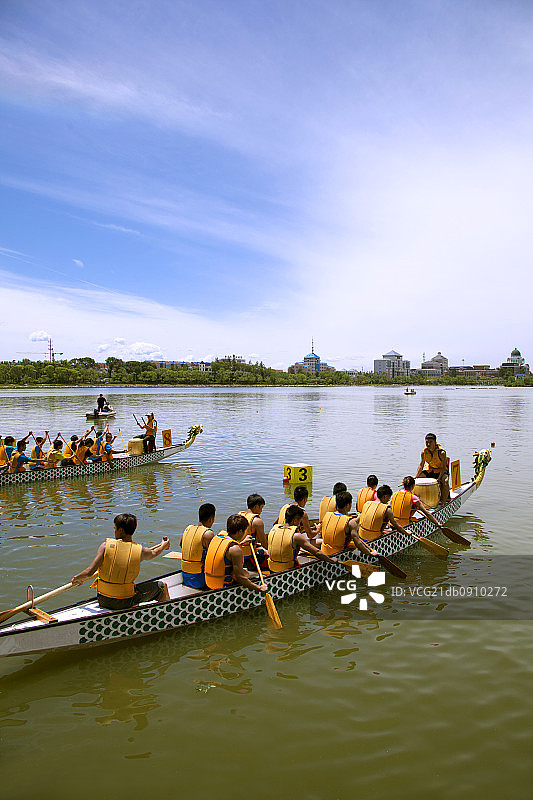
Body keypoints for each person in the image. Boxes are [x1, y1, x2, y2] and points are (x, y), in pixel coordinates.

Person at [71, 512, 170, 610]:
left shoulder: (105, 546)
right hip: (125, 602)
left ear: (121, 530)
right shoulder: (141, 551)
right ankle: (166, 615)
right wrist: (163, 546)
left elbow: (89, 572)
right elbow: (154, 553)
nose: (114, 531)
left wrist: (77, 578)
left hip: (103, 599)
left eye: (115, 528)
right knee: (162, 587)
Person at [204, 514, 268, 593]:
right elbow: (240, 578)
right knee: (248, 573)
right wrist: (259, 588)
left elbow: (226, 550)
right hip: (224, 586)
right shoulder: (235, 549)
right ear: (240, 531)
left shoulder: (218, 537)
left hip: (209, 582)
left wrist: (241, 543)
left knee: (245, 571)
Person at [268, 504, 340, 572]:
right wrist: (331, 560)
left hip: (272, 568)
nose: (299, 524)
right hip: (288, 570)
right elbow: (316, 552)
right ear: (295, 520)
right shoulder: (296, 536)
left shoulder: (274, 529)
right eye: (299, 521)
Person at [320, 490, 378, 558]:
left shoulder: (327, 515)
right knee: (354, 545)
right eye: (350, 504)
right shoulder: (351, 522)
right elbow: (358, 543)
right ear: (347, 505)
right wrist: (370, 554)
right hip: (338, 555)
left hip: (324, 551)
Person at [181, 503, 217, 589]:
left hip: (185, 576)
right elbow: (214, 556)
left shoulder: (188, 528)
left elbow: (181, 545)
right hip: (199, 578)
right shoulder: (208, 533)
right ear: (211, 519)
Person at [416, 433, 450, 504]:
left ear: (435, 442)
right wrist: (416, 476)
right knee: (418, 479)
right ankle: (422, 500)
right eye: (427, 442)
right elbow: (421, 465)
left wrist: (439, 478)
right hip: (431, 470)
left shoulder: (441, 453)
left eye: (430, 442)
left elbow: (443, 467)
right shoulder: (424, 452)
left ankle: (443, 502)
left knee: (445, 481)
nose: (428, 444)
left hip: (441, 471)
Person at [238, 493, 268, 569]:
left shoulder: (239, 516)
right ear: (256, 507)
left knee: (261, 550)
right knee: (266, 554)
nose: (261, 510)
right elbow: (264, 545)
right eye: (261, 507)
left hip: (238, 553)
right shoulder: (257, 521)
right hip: (249, 557)